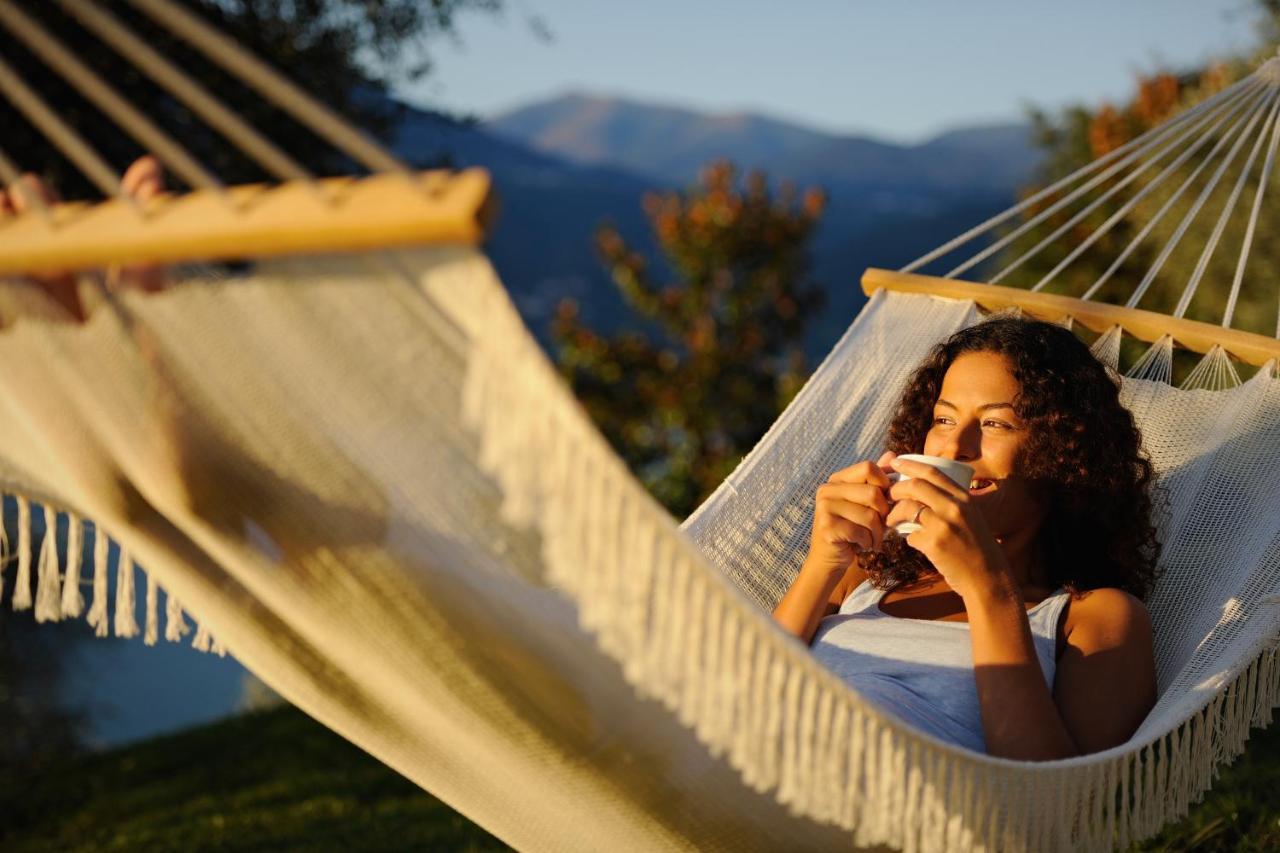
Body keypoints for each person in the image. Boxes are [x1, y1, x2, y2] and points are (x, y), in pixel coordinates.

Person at [771, 316, 1161, 761]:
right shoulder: (866, 571)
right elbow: (734, 699)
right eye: (943, 418)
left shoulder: (1093, 617)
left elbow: (1059, 807)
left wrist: (987, 590)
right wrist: (822, 563)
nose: (954, 448)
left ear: (1065, 453)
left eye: (995, 424)